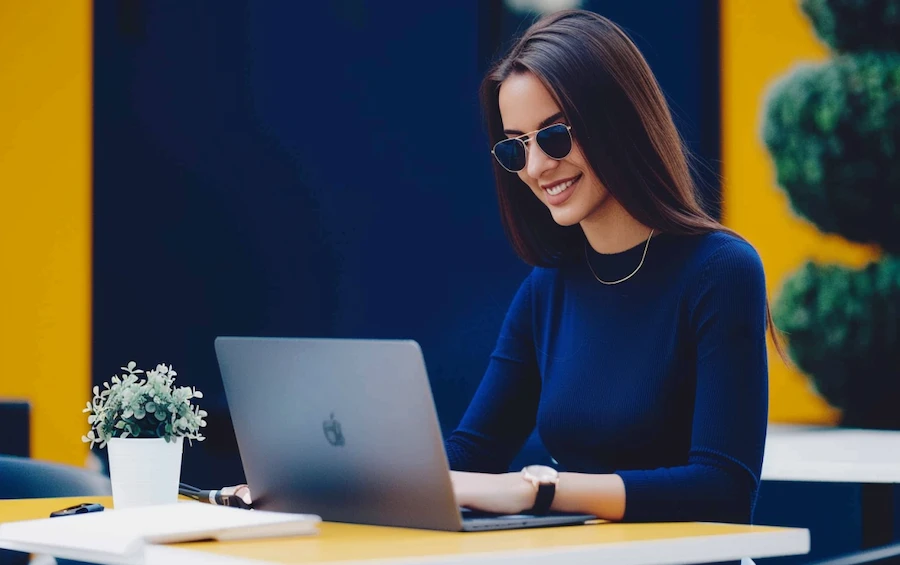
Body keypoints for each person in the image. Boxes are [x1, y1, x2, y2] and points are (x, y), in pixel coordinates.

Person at [444, 9, 783, 526]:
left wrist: (540, 490)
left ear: (617, 120)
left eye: (555, 135)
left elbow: (724, 489)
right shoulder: (547, 290)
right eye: (516, 148)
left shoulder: (720, 271)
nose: (536, 168)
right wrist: (342, 477)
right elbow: (470, 456)